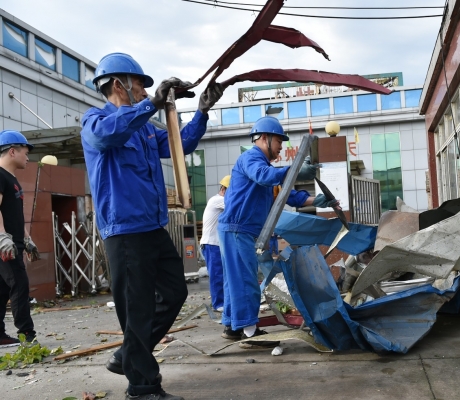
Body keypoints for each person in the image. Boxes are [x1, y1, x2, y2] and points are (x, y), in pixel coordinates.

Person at [81, 52, 223, 400]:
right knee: (138, 307)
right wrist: (151, 105)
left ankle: (129, 353)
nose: (146, 94)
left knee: (174, 292)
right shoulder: (95, 121)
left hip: (153, 227)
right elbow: (107, 136)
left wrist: (202, 112)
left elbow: (179, 144)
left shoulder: (144, 127)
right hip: (125, 231)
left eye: (148, 90)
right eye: (141, 88)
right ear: (119, 85)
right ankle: (143, 388)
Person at [218, 116, 338, 348]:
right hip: (237, 229)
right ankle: (250, 333)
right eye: (278, 141)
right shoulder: (251, 158)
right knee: (244, 280)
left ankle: (233, 327)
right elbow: (265, 177)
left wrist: (319, 200)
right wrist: (294, 170)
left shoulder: (264, 167)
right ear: (264, 138)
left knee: (235, 280)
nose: (281, 146)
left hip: (240, 230)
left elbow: (287, 195)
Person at [0, 130, 39, 347]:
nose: (27, 156)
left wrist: (26, 238)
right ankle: (27, 335)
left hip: (13, 243)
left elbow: (13, 214)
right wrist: (2, 238)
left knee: (3, 289)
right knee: (20, 285)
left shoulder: (11, 179)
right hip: (4, 245)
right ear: (12, 151)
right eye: (25, 151)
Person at [200, 175, 230, 312]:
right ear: (223, 189)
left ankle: (222, 301)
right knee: (217, 274)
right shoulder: (217, 200)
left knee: (222, 274)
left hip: (217, 244)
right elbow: (237, 206)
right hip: (212, 244)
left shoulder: (221, 201)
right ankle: (218, 304)